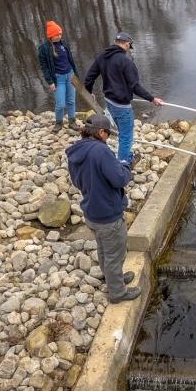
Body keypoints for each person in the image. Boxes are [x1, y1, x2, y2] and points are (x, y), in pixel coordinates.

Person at [66, 114, 140, 303]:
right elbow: (119, 179)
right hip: (109, 216)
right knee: (116, 252)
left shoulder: (76, 151)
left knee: (104, 250)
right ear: (100, 132)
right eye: (108, 133)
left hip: (92, 213)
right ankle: (118, 293)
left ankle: (113, 279)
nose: (108, 137)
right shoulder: (101, 151)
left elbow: (76, 181)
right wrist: (127, 166)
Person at [83, 32, 164, 164]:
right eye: (128, 47)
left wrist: (89, 91)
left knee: (121, 132)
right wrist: (152, 99)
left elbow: (89, 77)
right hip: (122, 106)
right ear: (127, 44)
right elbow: (135, 86)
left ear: (115, 42)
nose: (128, 49)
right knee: (126, 136)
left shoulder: (102, 56)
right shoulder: (126, 62)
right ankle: (123, 164)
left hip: (109, 102)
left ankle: (125, 156)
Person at [37, 20, 80, 132]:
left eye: (60, 34)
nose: (60, 36)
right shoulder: (44, 49)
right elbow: (44, 67)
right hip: (58, 79)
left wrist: (75, 74)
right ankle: (58, 122)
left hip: (70, 76)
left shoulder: (64, 44)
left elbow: (70, 60)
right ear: (51, 36)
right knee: (60, 104)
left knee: (71, 101)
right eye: (57, 34)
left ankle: (72, 121)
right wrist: (50, 81)